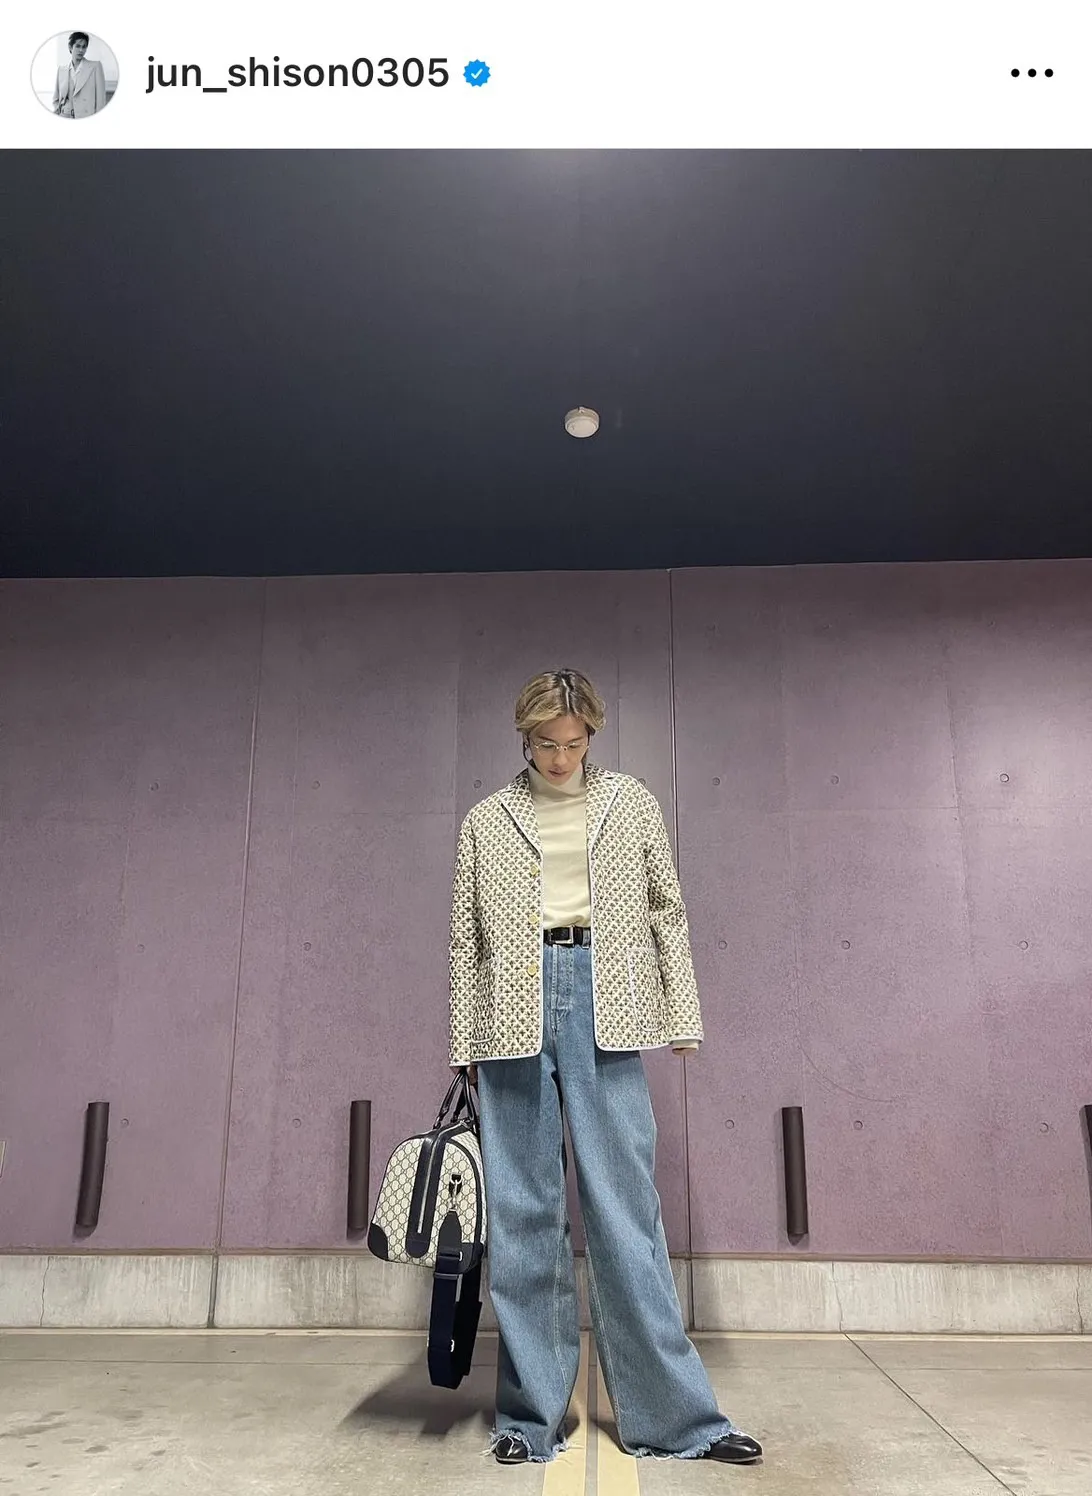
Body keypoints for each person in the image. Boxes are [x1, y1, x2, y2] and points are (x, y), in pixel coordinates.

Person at [449, 668, 763, 1467]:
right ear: (524, 739)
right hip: (510, 1011)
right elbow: (466, 938)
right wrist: (463, 1045)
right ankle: (528, 1421)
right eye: (545, 744)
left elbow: (667, 909)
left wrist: (683, 1016)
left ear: (592, 734)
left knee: (626, 1212)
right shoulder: (486, 819)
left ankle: (680, 1422)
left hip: (608, 997)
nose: (560, 758)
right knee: (524, 1217)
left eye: (574, 742)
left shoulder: (631, 802)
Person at [53, 32, 106, 119]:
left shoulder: (95, 67)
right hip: (64, 115)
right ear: (70, 47)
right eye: (78, 46)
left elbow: (101, 101)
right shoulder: (61, 70)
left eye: (84, 47)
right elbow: (56, 98)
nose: (81, 50)